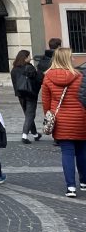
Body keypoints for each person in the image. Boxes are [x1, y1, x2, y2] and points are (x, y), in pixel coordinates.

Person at [40, 47, 86, 198]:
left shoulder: (47, 77)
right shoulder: (79, 76)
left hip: (60, 120)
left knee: (67, 153)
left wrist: (49, 117)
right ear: (67, 58)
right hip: (80, 118)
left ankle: (71, 187)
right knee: (82, 151)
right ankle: (84, 181)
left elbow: (46, 103)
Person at [10, 49, 42, 143]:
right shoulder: (29, 67)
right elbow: (38, 79)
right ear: (25, 58)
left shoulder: (14, 69)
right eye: (29, 56)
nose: (30, 58)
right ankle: (24, 136)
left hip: (20, 94)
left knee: (28, 114)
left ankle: (35, 134)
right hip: (30, 93)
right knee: (30, 114)